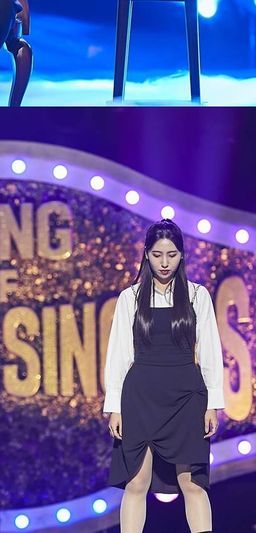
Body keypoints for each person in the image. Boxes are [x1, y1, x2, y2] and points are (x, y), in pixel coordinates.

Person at [103, 220, 224, 533]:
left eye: (172, 255)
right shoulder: (130, 297)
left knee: (193, 483)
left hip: (187, 396)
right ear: (146, 254)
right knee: (136, 482)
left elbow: (210, 352)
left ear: (182, 255)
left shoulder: (197, 296)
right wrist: (115, 406)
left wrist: (212, 403)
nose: (165, 262)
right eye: (157, 255)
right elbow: (119, 354)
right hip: (141, 397)